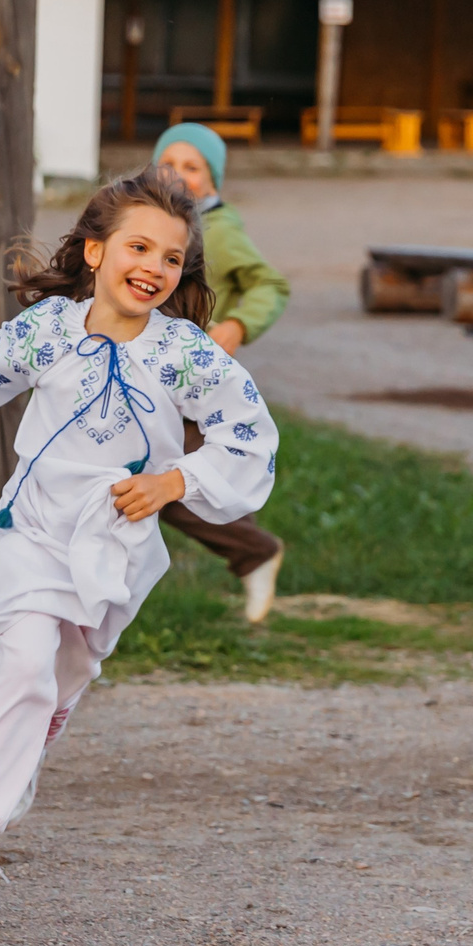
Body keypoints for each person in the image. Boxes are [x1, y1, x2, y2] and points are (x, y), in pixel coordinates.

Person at [0, 168, 278, 897]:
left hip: (116, 543)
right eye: (138, 247)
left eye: (171, 258)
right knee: (24, 656)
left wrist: (175, 481)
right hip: (36, 528)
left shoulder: (185, 352)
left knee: (64, 672)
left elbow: (250, 435)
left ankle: (25, 750)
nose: (153, 267)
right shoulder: (50, 330)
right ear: (95, 251)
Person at [151, 121, 289, 622]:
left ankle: (254, 551)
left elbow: (270, 285)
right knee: (177, 477)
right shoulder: (155, 225)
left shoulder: (217, 232)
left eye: (194, 168)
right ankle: (247, 542)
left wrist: (236, 325)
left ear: (213, 182)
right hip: (159, 378)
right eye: (170, 164)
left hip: (191, 384)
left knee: (166, 483)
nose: (179, 176)